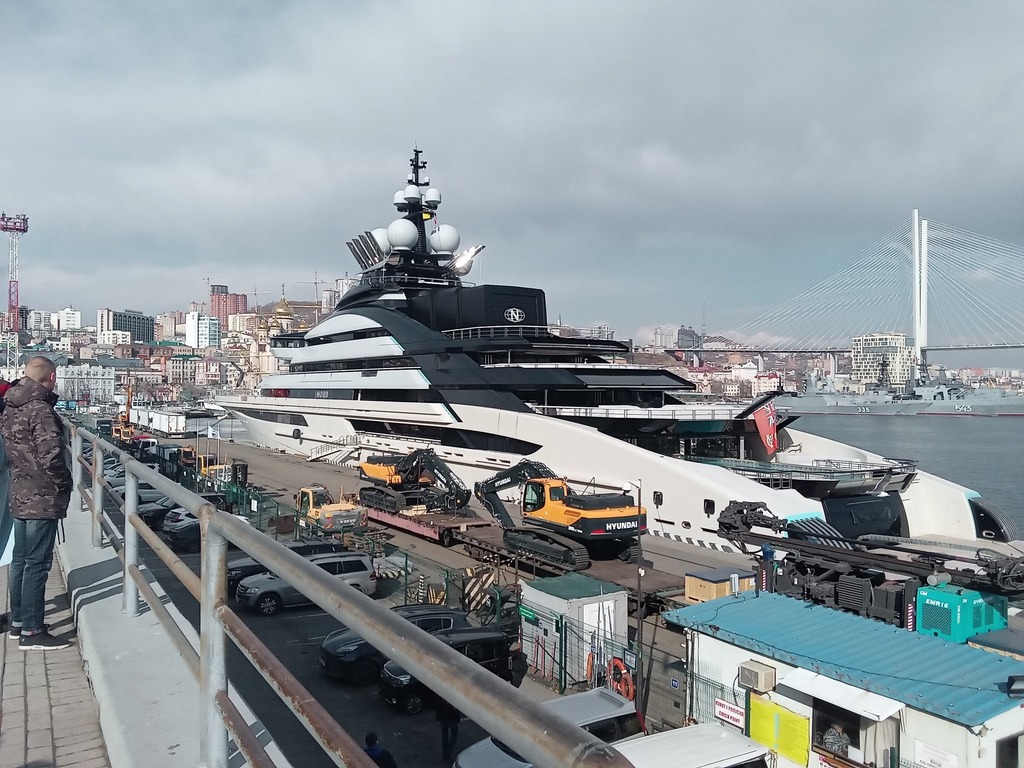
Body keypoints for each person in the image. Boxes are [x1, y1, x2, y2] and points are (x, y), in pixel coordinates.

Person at [2, 356, 73, 650]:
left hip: (19, 491)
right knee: (37, 564)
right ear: (52, 377)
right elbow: (51, 456)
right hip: (42, 496)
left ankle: (18, 622)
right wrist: (64, 484)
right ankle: (32, 631)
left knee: (21, 560)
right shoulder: (41, 410)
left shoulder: (10, 405)